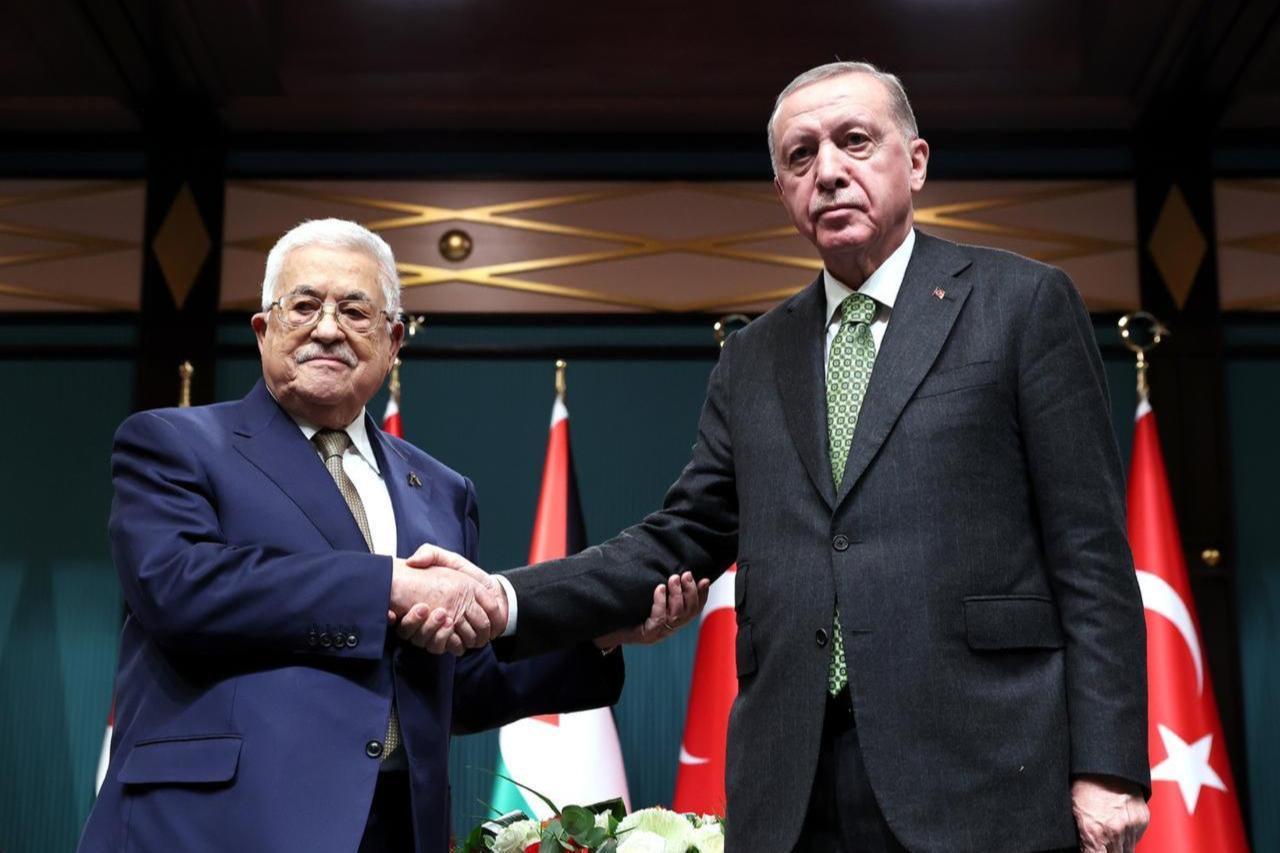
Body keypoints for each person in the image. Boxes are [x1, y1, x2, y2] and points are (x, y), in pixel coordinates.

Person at [408, 63, 1152, 852]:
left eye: (854, 141)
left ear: (916, 162)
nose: (827, 171)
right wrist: (501, 596)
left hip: (984, 772)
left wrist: (1109, 764)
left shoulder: (1022, 303)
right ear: (783, 191)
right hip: (793, 789)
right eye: (801, 156)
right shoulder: (754, 356)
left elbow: (1090, 551)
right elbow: (681, 535)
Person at [78, 218, 705, 853]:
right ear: (264, 330)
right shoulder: (172, 443)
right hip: (215, 827)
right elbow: (179, 587)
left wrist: (599, 635)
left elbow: (458, 685)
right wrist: (389, 586)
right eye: (304, 306)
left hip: (394, 827)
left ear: (393, 340)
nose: (328, 329)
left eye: (355, 311)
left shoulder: (441, 490)